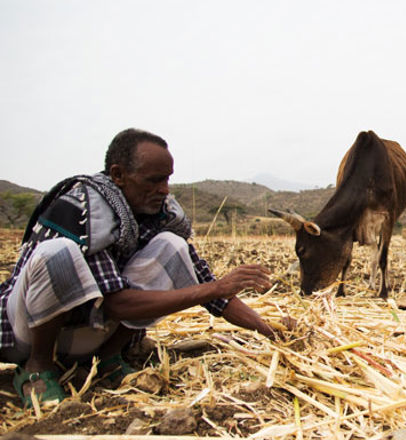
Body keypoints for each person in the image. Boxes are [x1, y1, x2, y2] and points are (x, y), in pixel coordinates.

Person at [0, 128, 287, 408]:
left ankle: (108, 359)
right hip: (29, 334)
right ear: (118, 175)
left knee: (172, 246)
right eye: (154, 180)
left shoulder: (159, 214)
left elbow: (214, 294)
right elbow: (117, 305)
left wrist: (269, 330)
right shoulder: (80, 209)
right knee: (57, 252)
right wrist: (215, 287)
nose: (164, 190)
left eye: (167, 180)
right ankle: (38, 369)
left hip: (87, 339)